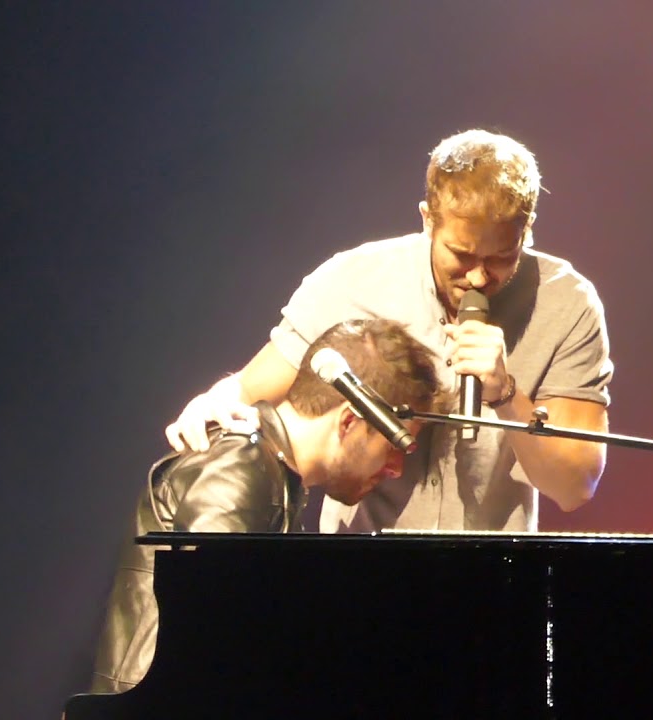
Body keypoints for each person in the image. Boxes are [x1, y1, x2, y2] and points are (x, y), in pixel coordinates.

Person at [165, 128, 613, 533]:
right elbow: (251, 394)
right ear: (426, 220)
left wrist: (506, 395)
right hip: (360, 569)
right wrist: (215, 403)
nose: (478, 278)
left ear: (527, 230)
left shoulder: (567, 304)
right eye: (461, 254)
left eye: (500, 258)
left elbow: (575, 487)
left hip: (496, 580)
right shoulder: (353, 279)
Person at [90, 318, 449, 693]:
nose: (395, 469)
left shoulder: (272, 475)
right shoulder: (241, 467)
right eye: (393, 445)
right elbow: (205, 641)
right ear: (348, 423)